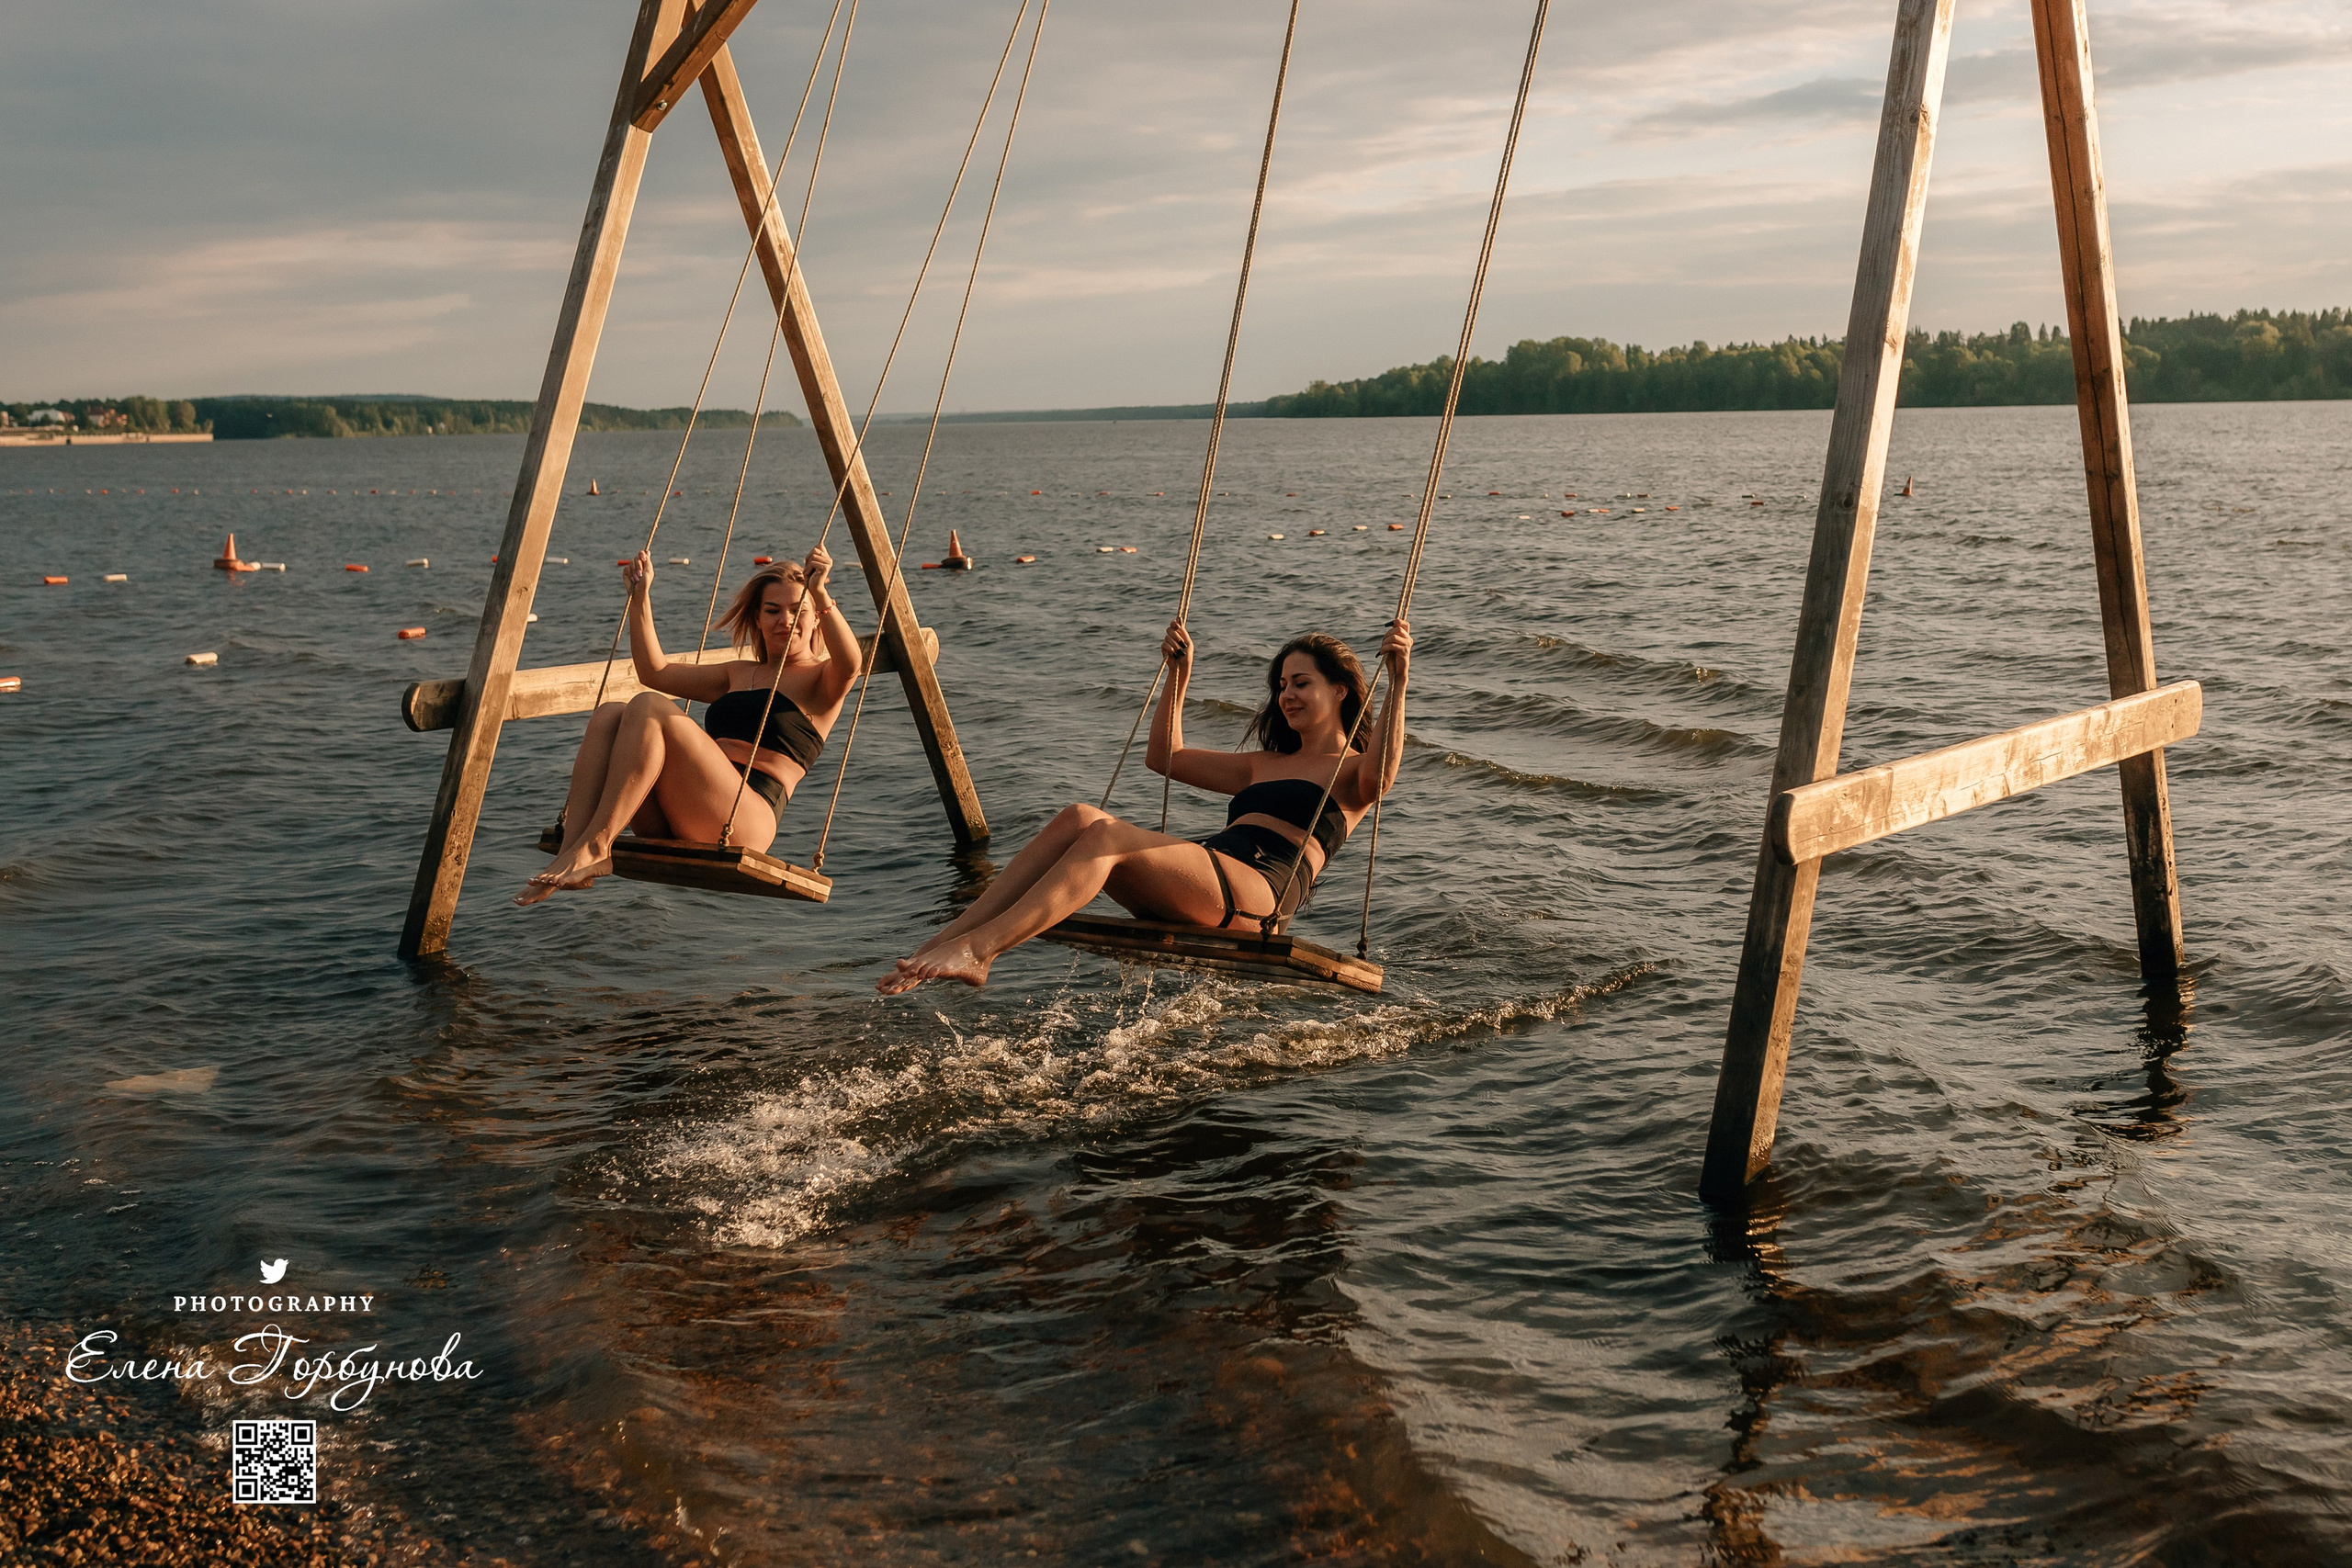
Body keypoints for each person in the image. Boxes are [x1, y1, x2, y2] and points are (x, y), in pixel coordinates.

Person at [878, 616, 1411, 991]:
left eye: (1301, 683)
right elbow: (1166, 757)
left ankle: (981, 952)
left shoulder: (1352, 773)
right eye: (1280, 686)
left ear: (1341, 691)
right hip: (1210, 877)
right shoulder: (1262, 764)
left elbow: (1383, 774)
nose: (1285, 696)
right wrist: (1178, 678)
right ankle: (943, 944)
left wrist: (1399, 681)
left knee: (1107, 836)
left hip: (1258, 899)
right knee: (1080, 817)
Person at [517, 544, 860, 905]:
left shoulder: (823, 679)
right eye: (772, 610)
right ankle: (571, 853)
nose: (785, 620)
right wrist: (640, 597)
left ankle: (598, 846)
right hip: (683, 810)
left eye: (798, 610)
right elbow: (655, 671)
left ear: (817, 617)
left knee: (650, 708)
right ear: (757, 619)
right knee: (609, 714)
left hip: (743, 819)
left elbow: (851, 662)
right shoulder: (738, 673)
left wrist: (820, 591)